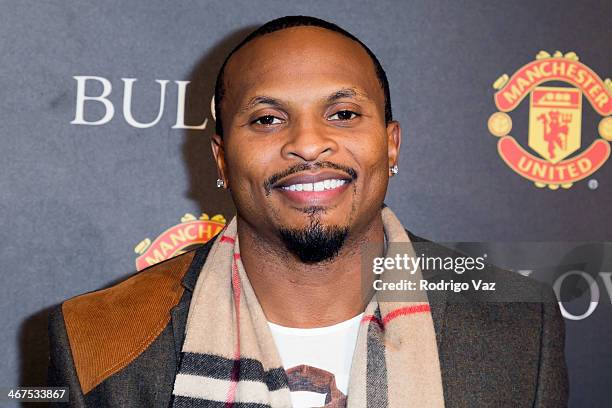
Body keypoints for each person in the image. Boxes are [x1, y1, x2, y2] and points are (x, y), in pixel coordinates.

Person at [48, 16, 568, 407]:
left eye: (343, 114)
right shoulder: (95, 335)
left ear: (391, 146)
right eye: (268, 120)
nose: (309, 143)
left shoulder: (521, 320)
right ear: (221, 158)